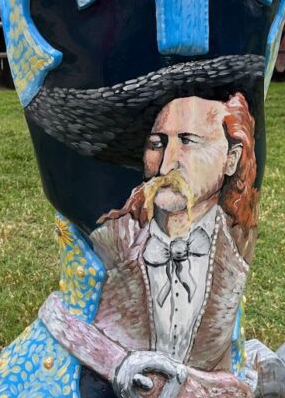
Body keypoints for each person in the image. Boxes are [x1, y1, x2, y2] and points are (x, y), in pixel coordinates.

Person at [89, 91, 258, 373]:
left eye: (189, 141)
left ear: (231, 159)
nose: (166, 165)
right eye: (156, 144)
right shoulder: (113, 240)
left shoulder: (238, 243)